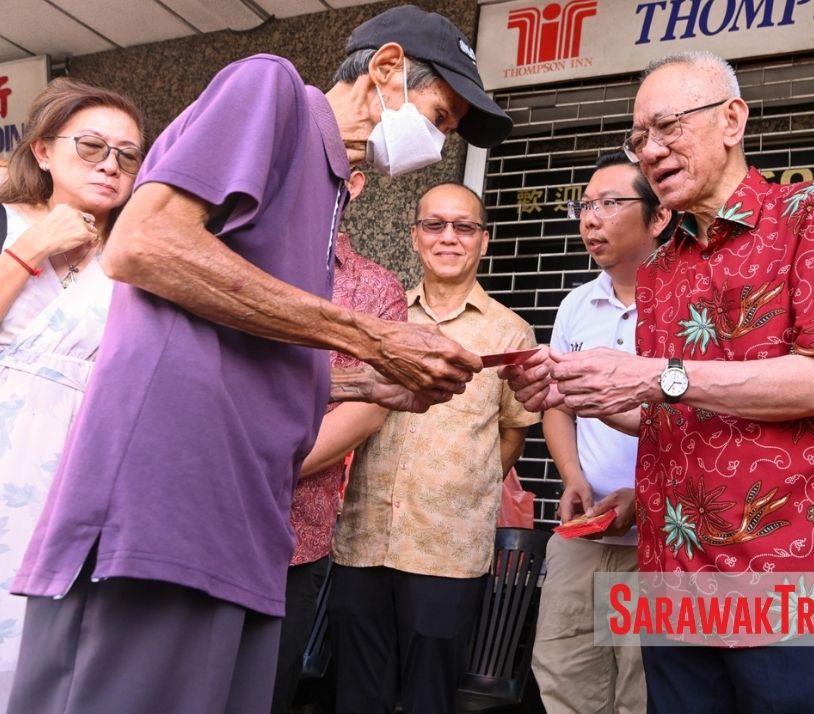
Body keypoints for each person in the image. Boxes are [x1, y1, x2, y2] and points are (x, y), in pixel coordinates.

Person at [7, 6, 513, 713]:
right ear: (387, 69)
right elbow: (144, 244)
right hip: (170, 507)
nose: (438, 140)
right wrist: (370, 337)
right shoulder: (272, 91)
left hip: (246, 522)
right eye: (439, 116)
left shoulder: (329, 187)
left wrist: (370, 380)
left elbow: (237, 345)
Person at [504, 51, 814, 714]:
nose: (651, 150)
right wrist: (579, 393)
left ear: (732, 120)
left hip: (790, 577)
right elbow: (666, 411)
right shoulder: (660, 267)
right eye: (638, 138)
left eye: (668, 126)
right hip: (672, 573)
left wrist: (655, 375)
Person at [329, 182, 540, 714]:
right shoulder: (383, 321)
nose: (449, 237)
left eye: (464, 227)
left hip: (448, 550)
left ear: (484, 240)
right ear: (415, 237)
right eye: (435, 225)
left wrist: (465, 489)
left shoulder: (511, 333)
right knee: (355, 695)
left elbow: (513, 429)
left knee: (431, 699)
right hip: (364, 539)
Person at [0, 77, 145, 711]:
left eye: (127, 155)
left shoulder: (137, 257)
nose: (110, 165)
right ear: (42, 150)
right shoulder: (7, 222)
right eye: (91, 147)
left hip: (85, 465)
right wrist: (34, 247)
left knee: (58, 646)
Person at [531, 152, 673, 714]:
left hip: (659, 540)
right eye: (585, 205)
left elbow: (706, 418)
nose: (591, 219)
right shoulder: (576, 304)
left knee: (645, 690)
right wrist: (572, 478)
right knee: (563, 677)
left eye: (610, 203)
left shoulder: (687, 304)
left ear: (658, 216)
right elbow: (556, 405)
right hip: (582, 537)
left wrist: (645, 495)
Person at [270, 171, 409, 714]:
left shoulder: (376, 289)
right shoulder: (231, 263)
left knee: (267, 691)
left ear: (352, 184)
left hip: (294, 534)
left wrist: (253, 465)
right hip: (198, 521)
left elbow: (370, 406)